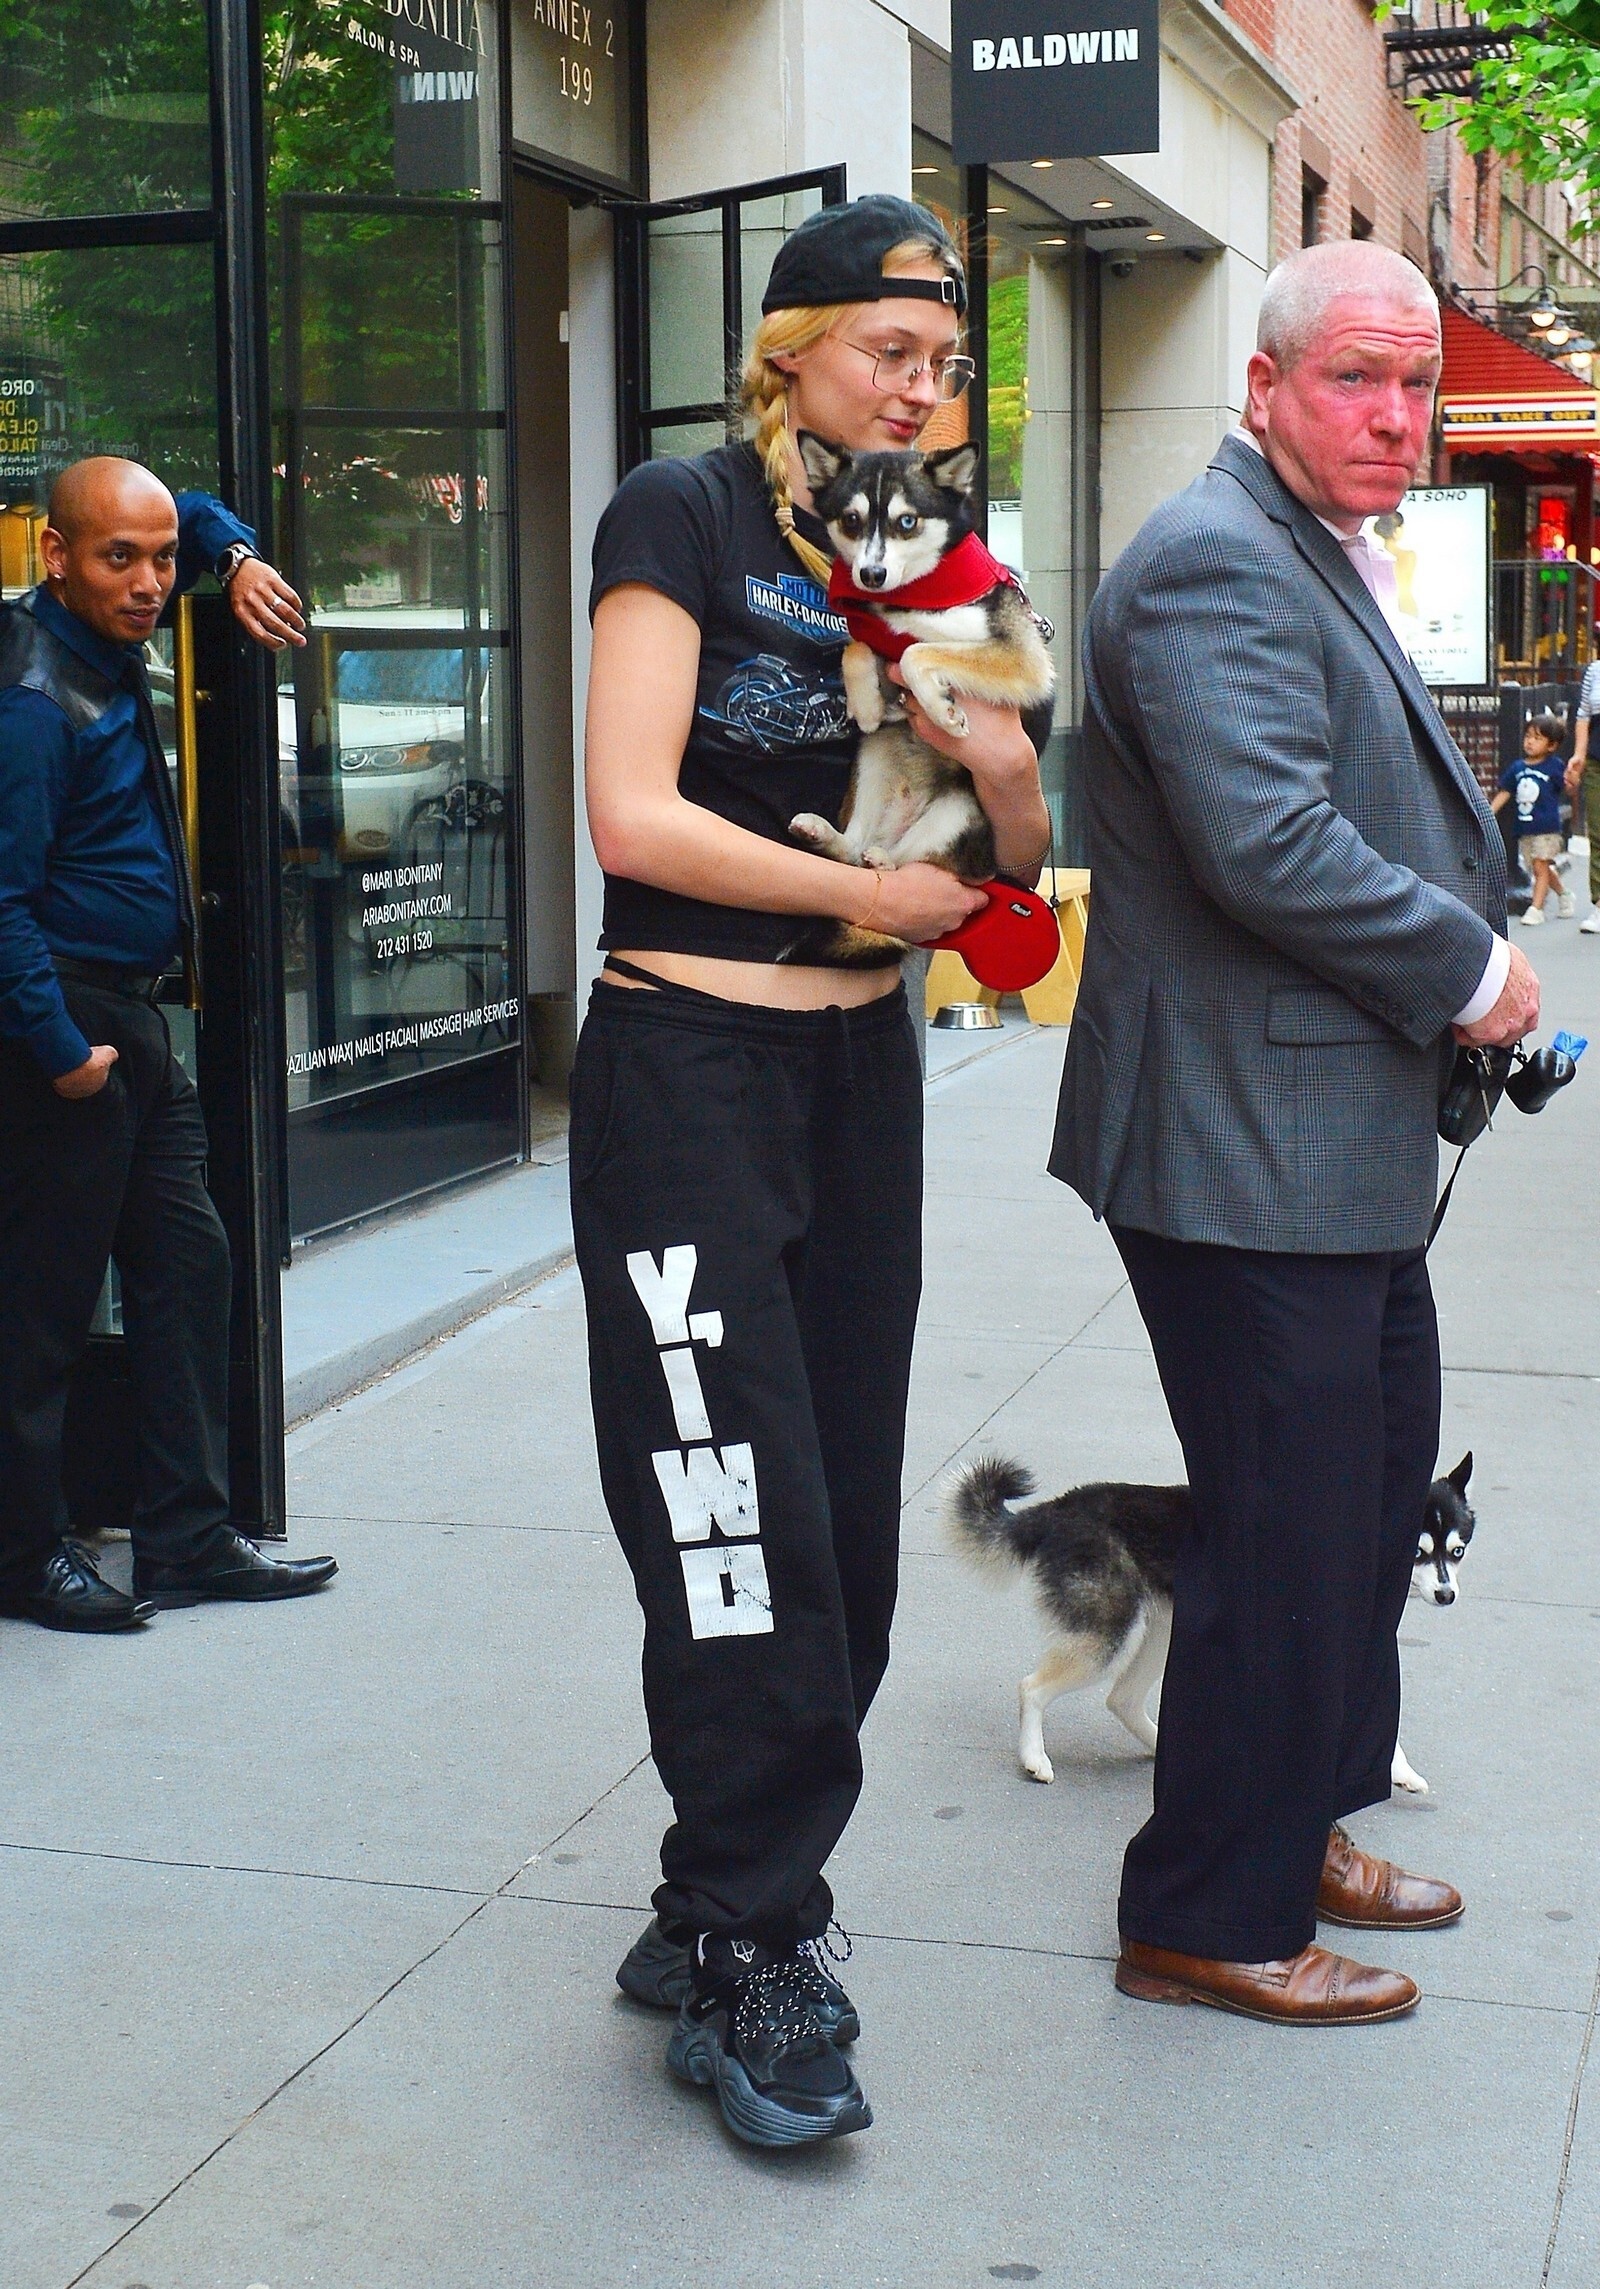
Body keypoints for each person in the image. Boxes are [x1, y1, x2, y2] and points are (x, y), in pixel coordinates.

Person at [573, 195, 1049, 2145]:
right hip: (689, 1063)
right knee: (730, 1512)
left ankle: (715, 1885)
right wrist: (872, 888)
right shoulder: (676, 515)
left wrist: (990, 758)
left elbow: (1013, 859)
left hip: (863, 1075)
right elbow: (629, 814)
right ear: (788, 354)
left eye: (946, 365)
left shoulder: (938, 555)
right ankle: (759, 1941)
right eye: (888, 352)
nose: (921, 391)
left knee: (839, 1529)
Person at [1050, 241, 1539, 2026]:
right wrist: (1472, 965)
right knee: (1283, 1534)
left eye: (1418, 385)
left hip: (1326, 1141)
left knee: (1362, 1507)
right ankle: (1208, 1909)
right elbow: (1267, 841)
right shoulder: (1211, 560)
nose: (1398, 416)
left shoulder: (1302, 542)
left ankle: (1298, 1819)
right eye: (1357, 378)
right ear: (1263, 386)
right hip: (1240, 1144)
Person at [0, 458, 337, 1633]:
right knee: (42, 1309)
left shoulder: (106, 625)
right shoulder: (31, 700)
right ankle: (25, 1557)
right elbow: (1, 900)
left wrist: (231, 557)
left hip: (134, 1026)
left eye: (159, 563)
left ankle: (187, 1539)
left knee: (189, 1273)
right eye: (119, 560)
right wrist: (61, 1052)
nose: (151, 582)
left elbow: (183, 513)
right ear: (56, 557)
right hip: (68, 1031)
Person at [1491, 713, 1573, 925]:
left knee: (1539, 867)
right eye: (1528, 736)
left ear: (1551, 745)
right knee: (1539, 868)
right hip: (1525, 828)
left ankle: (1536, 909)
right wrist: (1490, 812)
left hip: (1547, 828)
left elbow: (1568, 789)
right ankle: (1564, 894)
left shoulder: (1554, 766)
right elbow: (1505, 791)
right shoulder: (1518, 768)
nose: (1530, 742)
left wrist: (1572, 781)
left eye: (1537, 738)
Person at [1566, 659, 1600, 933]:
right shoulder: (1594, 670)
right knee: (1598, 832)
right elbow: (1584, 715)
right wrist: (1579, 754)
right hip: (1597, 760)